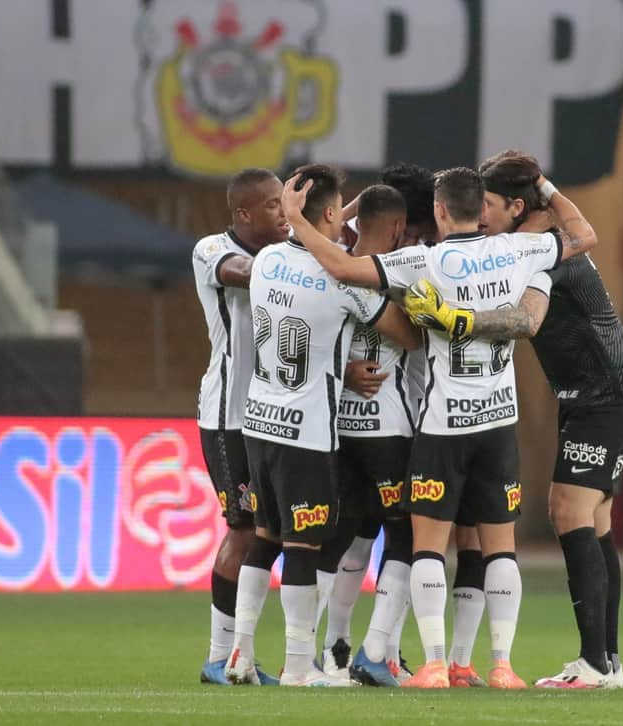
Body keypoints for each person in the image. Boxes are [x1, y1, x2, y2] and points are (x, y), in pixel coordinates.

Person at [281, 164, 598, 689]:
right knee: (500, 548)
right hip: (498, 424)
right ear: (482, 208)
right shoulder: (519, 250)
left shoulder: (423, 260)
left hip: (442, 426)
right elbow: (585, 234)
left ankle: (431, 664)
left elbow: (342, 267)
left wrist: (299, 220)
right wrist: (545, 187)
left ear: (440, 210)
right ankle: (501, 666)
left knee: (425, 546)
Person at [406, 150, 623, 689]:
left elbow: (526, 320)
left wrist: (458, 319)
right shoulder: (525, 245)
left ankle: (593, 665)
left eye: (491, 204)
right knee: (596, 520)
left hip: (608, 395)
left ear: (517, 206)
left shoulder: (541, 254)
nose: (484, 215)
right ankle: (606, 662)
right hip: (590, 394)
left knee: (568, 510)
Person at [224, 164, 421, 688]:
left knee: (263, 541)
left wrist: (312, 217)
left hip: (258, 423)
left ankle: (240, 653)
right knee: (303, 549)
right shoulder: (341, 278)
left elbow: (315, 233)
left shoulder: (265, 260)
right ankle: (297, 666)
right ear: (332, 214)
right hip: (306, 433)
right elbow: (406, 334)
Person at [311, 185, 417, 683]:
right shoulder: (398, 274)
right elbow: (411, 337)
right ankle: (377, 653)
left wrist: (345, 368)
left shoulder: (327, 271)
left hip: (336, 426)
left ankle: (324, 649)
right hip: (386, 429)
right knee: (408, 533)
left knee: (343, 530)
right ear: (398, 229)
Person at [192, 168, 290, 686]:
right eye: (272, 205)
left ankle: (240, 657)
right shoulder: (211, 249)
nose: (282, 212)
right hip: (228, 416)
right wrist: (303, 261)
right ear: (244, 214)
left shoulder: (288, 252)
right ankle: (219, 656)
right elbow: (242, 273)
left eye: (284, 203)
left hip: (274, 418)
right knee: (244, 529)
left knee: (271, 532)